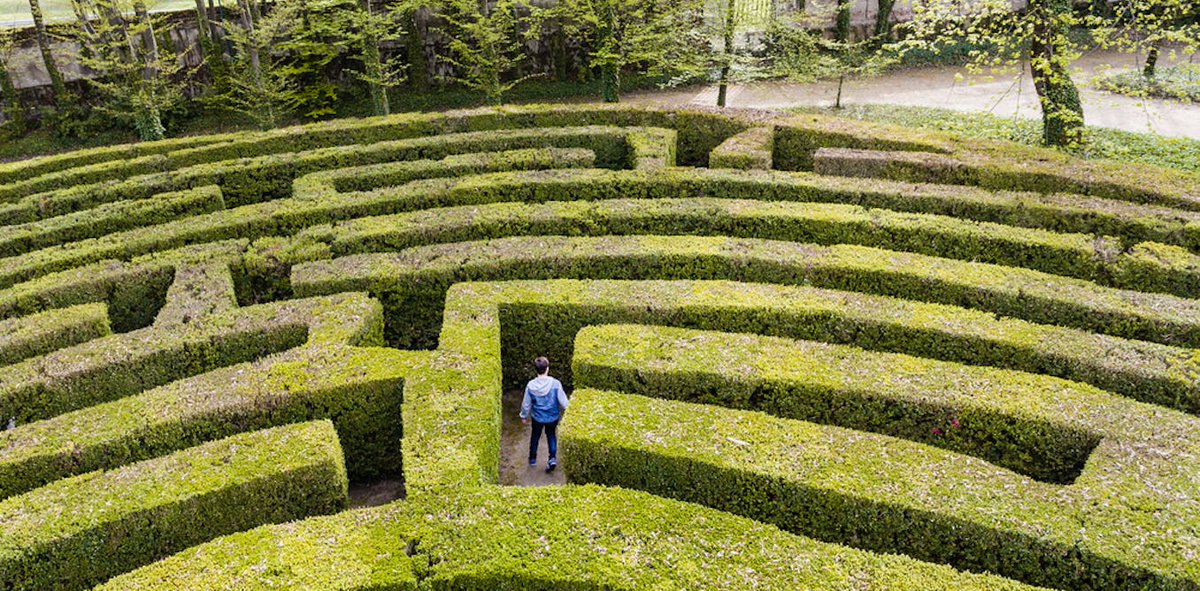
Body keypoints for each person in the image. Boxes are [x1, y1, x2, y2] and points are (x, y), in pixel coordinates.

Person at [520, 356, 569, 473]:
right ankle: (552, 458)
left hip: (537, 418)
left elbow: (526, 404)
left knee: (535, 437)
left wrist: (523, 416)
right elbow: (564, 402)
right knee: (551, 435)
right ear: (547, 368)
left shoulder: (531, 385)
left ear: (536, 369)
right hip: (553, 417)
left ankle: (532, 459)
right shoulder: (556, 384)